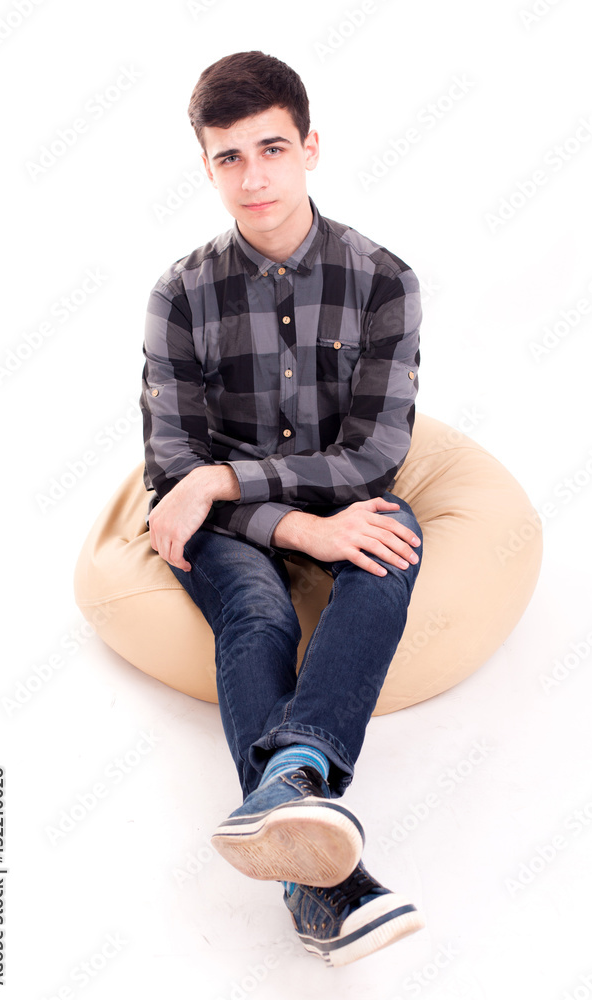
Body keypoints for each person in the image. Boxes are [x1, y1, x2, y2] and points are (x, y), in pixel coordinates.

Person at [140, 50, 425, 967]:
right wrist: (285, 519)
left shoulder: (384, 280)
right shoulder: (180, 294)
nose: (253, 176)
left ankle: (290, 779)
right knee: (257, 609)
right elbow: (174, 467)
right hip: (228, 531)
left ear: (310, 147)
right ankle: (316, 856)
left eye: (271, 148)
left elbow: (376, 455)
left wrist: (227, 479)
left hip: (280, 499)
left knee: (395, 537)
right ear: (207, 166)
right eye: (229, 157)